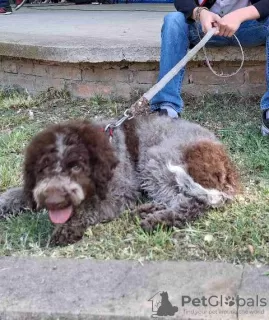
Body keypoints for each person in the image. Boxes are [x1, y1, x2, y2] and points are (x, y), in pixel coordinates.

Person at [151, 0, 269, 135]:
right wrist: (200, 13)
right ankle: (167, 108)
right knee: (173, 20)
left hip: (247, 27)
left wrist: (240, 15)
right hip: (204, 28)